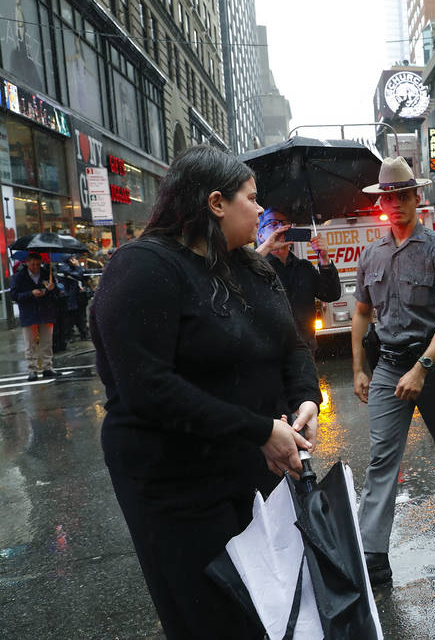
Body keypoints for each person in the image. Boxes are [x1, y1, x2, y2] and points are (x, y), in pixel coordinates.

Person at [90, 146, 321, 639]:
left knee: (268, 608)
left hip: (248, 467)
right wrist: (260, 430)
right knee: (210, 615)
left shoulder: (253, 268)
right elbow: (149, 389)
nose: (260, 211)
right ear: (216, 203)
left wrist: (306, 399)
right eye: (252, 199)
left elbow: (291, 345)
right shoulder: (142, 268)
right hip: (176, 481)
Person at [350, 156, 435, 586]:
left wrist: (423, 368)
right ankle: (374, 552)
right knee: (383, 457)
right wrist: (359, 369)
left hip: (433, 367)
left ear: (417, 198)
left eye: (403, 195)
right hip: (388, 367)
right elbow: (362, 313)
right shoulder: (372, 255)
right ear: (382, 202)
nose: (396, 203)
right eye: (389, 196)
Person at [255, 207, 341, 351]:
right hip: (269, 351)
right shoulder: (256, 267)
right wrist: (268, 247)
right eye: (273, 223)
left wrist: (324, 258)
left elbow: (331, 294)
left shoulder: (303, 267)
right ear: (261, 234)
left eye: (285, 223)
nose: (281, 227)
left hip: (305, 348)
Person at [12, 252, 59, 380]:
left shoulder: (46, 273)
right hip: (29, 313)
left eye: (38, 264)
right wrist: (31, 293)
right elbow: (14, 296)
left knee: (47, 342)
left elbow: (56, 293)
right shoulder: (19, 277)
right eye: (33, 264)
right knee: (30, 343)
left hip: (46, 312)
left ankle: (47, 367)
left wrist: (52, 288)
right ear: (26, 263)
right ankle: (32, 369)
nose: (35, 267)